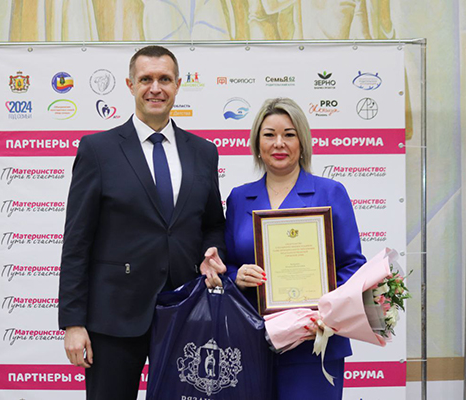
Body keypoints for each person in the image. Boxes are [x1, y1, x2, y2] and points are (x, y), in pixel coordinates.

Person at [58, 45, 226, 400]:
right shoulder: (98, 150)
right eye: (146, 79)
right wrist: (73, 322)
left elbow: (213, 223)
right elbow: (77, 241)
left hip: (185, 312)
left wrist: (211, 252)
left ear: (178, 85)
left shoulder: (203, 152)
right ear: (130, 85)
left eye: (164, 79)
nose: (155, 88)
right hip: (114, 318)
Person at [224, 97, 366, 399]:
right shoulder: (239, 198)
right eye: (269, 135)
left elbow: (353, 265)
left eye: (289, 134)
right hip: (252, 341)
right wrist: (237, 276)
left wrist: (324, 310)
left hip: (314, 343)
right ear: (257, 143)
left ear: (302, 142)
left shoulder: (330, 192)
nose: (279, 143)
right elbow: (228, 264)